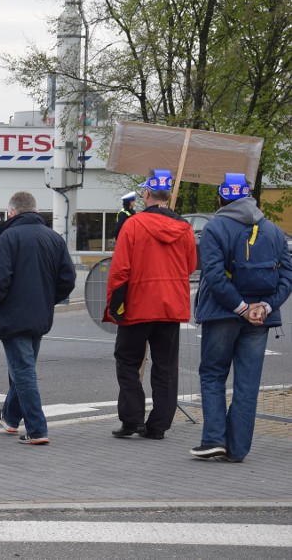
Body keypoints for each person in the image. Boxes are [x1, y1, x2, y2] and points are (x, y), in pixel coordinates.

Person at [191, 173, 292, 462]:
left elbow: (211, 273)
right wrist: (265, 306)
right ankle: (237, 449)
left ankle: (213, 440)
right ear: (250, 197)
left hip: (222, 313)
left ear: (221, 198)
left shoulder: (215, 227)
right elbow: (287, 274)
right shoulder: (272, 229)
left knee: (212, 375)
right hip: (260, 318)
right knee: (247, 383)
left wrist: (240, 307)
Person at [104, 169, 197, 440]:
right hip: (170, 307)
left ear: (146, 194)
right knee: (165, 366)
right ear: (167, 196)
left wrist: (114, 306)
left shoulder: (133, 225)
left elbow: (120, 270)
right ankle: (158, 426)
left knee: (128, 362)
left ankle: (132, 420)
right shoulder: (184, 227)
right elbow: (190, 265)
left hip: (138, 306)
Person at [0, 191, 75, 445]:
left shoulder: (8, 236)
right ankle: (11, 417)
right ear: (35, 211)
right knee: (21, 368)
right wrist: (48, 298)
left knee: (23, 372)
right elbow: (67, 279)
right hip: (40, 314)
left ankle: (37, 428)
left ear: (12, 213)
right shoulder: (53, 238)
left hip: (12, 315)